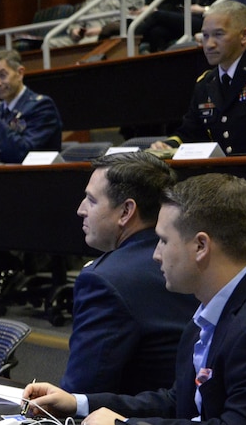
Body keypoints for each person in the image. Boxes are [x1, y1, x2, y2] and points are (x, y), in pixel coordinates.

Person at [24, 173, 246, 425]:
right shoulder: (212, 308)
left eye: (164, 240)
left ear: (201, 246)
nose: (155, 254)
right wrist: (78, 403)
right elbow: (179, 402)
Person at [60, 152, 197, 395]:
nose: (81, 209)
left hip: (135, 422)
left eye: (91, 200)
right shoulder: (190, 259)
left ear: (126, 211)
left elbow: (82, 392)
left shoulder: (105, 280)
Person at [150, 0, 246, 156]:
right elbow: (190, 133)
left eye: (218, 34)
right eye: (205, 35)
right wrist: (166, 145)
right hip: (224, 176)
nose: (209, 44)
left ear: (244, 35)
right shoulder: (206, 83)